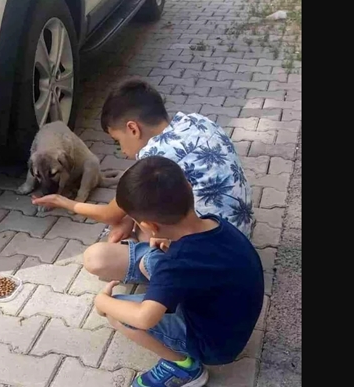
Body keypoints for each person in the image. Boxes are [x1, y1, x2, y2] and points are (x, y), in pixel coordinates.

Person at [32, 78, 254, 282]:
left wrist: (64, 202)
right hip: (237, 237)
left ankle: (169, 277)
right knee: (133, 217)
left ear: (133, 129)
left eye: (118, 141)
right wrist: (129, 219)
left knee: (97, 258)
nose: (123, 152)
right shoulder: (196, 120)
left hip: (211, 260)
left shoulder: (155, 158)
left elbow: (109, 214)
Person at [94, 156, 264, 387]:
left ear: (150, 225)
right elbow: (195, 261)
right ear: (188, 188)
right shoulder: (217, 223)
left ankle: (184, 368)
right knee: (153, 260)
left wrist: (104, 303)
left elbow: (145, 318)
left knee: (119, 314)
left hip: (214, 346)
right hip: (232, 322)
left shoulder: (176, 263)